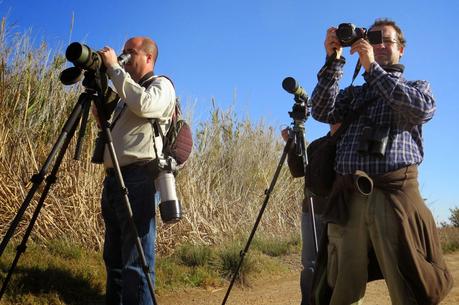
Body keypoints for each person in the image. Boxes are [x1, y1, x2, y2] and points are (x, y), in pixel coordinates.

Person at [309, 19, 453, 305]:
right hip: (348, 198)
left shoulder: (418, 87)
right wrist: (333, 60)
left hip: (394, 198)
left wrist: (372, 68)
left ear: (401, 50)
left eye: (386, 40)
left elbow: (419, 109)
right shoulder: (354, 94)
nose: (380, 45)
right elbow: (322, 110)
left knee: (409, 286)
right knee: (341, 286)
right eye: (374, 39)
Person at [97, 37, 176, 305]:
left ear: (149, 58)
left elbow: (144, 105)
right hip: (114, 179)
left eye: (130, 53)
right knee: (114, 259)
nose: (124, 57)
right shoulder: (125, 95)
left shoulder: (161, 85)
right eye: (123, 53)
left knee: (136, 259)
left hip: (138, 179)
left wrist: (114, 69)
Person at [281, 123, 340, 305]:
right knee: (310, 264)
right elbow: (298, 171)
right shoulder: (317, 144)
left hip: (337, 212)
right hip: (311, 210)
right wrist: (291, 145)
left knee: (337, 263)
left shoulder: (348, 142)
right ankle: (308, 302)